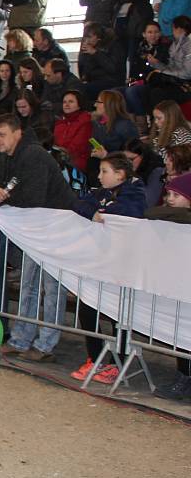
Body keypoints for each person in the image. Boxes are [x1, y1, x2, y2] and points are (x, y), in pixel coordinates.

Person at [0, 114, 77, 362]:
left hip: (54, 228)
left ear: (17, 133)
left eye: (2, 134)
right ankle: (21, 338)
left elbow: (34, 198)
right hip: (34, 230)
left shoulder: (34, 155)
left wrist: (4, 197)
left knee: (51, 288)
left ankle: (46, 343)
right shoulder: (8, 157)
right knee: (29, 284)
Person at [71, 152, 146, 385]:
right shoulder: (101, 192)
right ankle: (95, 357)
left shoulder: (135, 193)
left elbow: (130, 213)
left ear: (120, 175)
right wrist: (95, 212)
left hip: (122, 265)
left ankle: (118, 363)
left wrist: (104, 213)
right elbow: (80, 204)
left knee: (119, 316)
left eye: (105, 171)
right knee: (86, 308)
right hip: (100, 263)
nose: (99, 176)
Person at [145, 172, 191, 400]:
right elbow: (151, 212)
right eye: (169, 193)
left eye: (176, 195)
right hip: (180, 285)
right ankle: (183, 378)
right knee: (182, 336)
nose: (170, 198)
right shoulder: (173, 215)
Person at [142, 15, 191, 111]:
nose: (171, 31)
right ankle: (156, 121)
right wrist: (157, 64)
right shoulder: (175, 44)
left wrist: (164, 72)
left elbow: (187, 73)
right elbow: (171, 67)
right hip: (176, 81)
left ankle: (160, 122)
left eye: (173, 28)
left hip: (185, 85)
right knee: (151, 88)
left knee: (156, 93)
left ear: (179, 28)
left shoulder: (188, 45)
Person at [78, 22, 127, 103]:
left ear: (98, 36)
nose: (87, 40)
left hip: (111, 80)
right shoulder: (90, 47)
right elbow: (84, 70)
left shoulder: (114, 45)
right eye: (85, 37)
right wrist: (84, 55)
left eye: (89, 37)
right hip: (94, 80)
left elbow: (112, 68)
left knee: (84, 89)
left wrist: (95, 53)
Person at [54, 90, 93, 173]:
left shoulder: (85, 122)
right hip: (60, 160)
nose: (66, 105)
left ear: (79, 105)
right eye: (64, 102)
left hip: (76, 163)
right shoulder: (60, 123)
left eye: (71, 102)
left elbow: (78, 147)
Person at [124, 138, 166, 206]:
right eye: (125, 159)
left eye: (131, 159)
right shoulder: (129, 168)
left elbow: (148, 201)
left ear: (142, 155)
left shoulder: (157, 170)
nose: (128, 163)